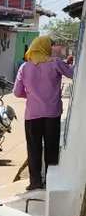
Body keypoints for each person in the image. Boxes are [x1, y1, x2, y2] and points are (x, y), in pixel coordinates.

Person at [13, 36, 74, 191]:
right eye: (51, 45)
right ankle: (50, 180)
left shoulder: (25, 67)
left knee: (33, 148)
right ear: (46, 47)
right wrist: (69, 64)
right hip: (52, 114)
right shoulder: (56, 63)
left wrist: (33, 95)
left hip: (32, 114)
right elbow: (73, 74)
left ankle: (35, 182)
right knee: (51, 148)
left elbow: (17, 92)